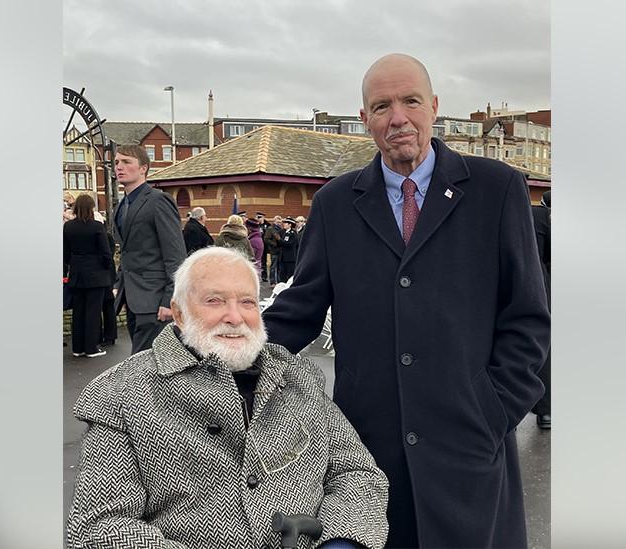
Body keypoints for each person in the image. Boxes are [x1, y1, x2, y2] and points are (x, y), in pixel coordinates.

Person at [263, 53, 550, 548]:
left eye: (410, 101)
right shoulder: (335, 204)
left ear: (434, 106)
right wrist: (204, 347)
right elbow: (298, 312)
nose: (398, 118)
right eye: (382, 106)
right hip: (368, 452)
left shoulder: (496, 189)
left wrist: (494, 409)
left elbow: (527, 317)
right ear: (364, 119)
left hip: (471, 442)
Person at [66, 247, 390, 549]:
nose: (235, 317)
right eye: (215, 301)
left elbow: (358, 474)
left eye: (247, 302)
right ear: (178, 314)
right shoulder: (123, 394)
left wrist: (340, 543)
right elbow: (98, 526)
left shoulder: (297, 376)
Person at [112, 144, 187, 355]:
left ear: (143, 168)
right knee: (140, 360)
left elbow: (176, 255)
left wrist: (169, 300)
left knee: (147, 364)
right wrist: (119, 283)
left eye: (127, 162)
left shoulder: (158, 201)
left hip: (155, 301)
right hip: (133, 298)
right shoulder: (120, 206)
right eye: (117, 162)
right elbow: (127, 251)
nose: (119, 167)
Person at [64, 194, 114, 358]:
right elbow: (106, 253)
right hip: (96, 274)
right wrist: (106, 268)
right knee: (93, 311)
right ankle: (91, 347)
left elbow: (64, 253)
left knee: (78, 311)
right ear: (91, 208)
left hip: (77, 274)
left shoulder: (68, 227)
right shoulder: (97, 227)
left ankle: (77, 348)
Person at [531, 190, 551, 429]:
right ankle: (545, 412)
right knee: (544, 346)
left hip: (498, 282)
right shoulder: (543, 217)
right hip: (538, 284)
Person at [276, 217, 299, 284]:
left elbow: (289, 244)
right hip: (283, 257)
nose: (284, 224)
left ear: (290, 225)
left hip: (290, 258)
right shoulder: (283, 232)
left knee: (290, 275)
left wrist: (279, 240)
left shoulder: (293, 233)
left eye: (286, 223)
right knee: (282, 274)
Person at [263, 215, 284, 284]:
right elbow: (266, 239)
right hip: (274, 250)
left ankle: (279, 281)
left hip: (280, 250)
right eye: (278, 222)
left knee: (279, 267)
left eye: (280, 222)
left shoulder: (281, 229)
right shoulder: (270, 229)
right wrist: (274, 244)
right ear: (274, 221)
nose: (279, 223)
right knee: (273, 267)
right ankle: (272, 282)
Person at [246, 213, 265, 278]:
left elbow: (251, 257)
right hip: (255, 269)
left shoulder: (253, 241)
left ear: (250, 228)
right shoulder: (256, 238)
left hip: (253, 271)